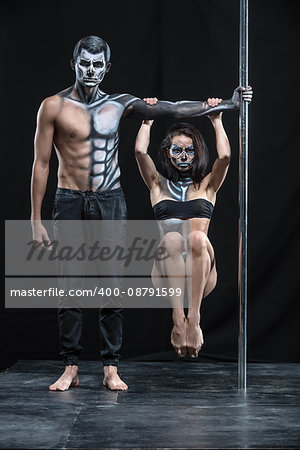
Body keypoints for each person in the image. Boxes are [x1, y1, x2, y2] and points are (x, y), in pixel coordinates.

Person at [30, 34, 247, 391]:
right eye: (84, 62)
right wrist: (36, 220)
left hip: (110, 198)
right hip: (68, 198)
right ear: (74, 64)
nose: (90, 70)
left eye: (97, 64)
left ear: (107, 67)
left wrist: (228, 103)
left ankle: (110, 368)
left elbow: (175, 109)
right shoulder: (52, 106)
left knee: (112, 284)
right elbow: (40, 165)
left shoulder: (120, 104)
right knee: (68, 282)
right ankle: (70, 366)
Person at [134, 87, 252, 358]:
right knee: (173, 238)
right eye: (178, 150)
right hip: (166, 275)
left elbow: (225, 157)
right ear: (168, 152)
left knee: (196, 237)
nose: (184, 157)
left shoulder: (208, 185)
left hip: (202, 274)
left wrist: (217, 120)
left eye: (189, 151)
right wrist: (147, 119)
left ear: (197, 152)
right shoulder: (157, 185)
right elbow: (140, 152)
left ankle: (194, 319)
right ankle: (178, 319)